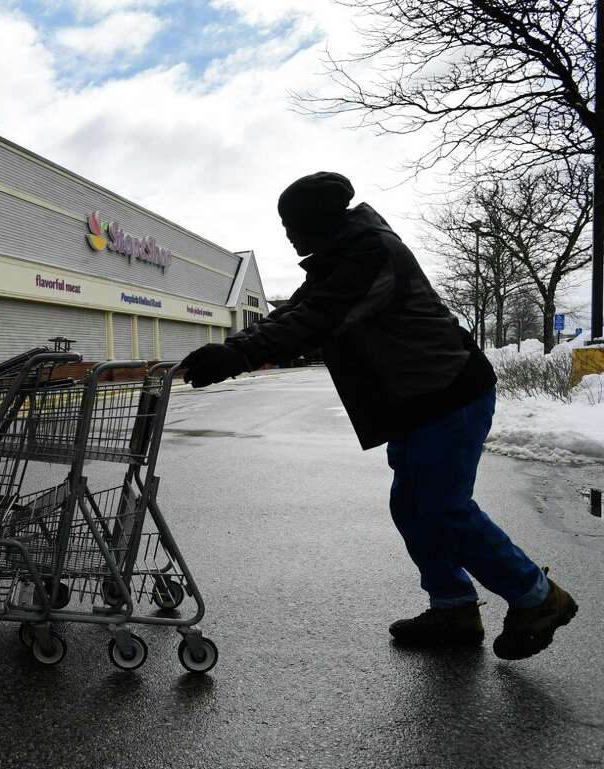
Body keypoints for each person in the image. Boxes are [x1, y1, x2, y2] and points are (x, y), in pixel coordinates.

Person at [181, 172, 577, 659]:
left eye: (293, 224)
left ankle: (538, 597)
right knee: (411, 506)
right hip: (416, 399)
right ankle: (453, 606)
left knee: (444, 508)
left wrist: (237, 357)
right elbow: (294, 312)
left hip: (448, 391)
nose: (288, 235)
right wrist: (233, 347)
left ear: (319, 220)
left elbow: (317, 319)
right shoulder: (338, 261)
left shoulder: (370, 255)